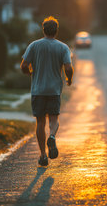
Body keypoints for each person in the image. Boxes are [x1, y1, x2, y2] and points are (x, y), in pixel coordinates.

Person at [20, 16, 73, 167]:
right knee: (54, 120)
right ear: (57, 31)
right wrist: (69, 79)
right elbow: (68, 68)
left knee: (40, 122)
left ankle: (43, 155)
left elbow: (23, 66)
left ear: (43, 30)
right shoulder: (63, 47)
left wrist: (31, 74)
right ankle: (52, 136)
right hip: (54, 90)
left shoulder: (34, 45)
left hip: (38, 90)